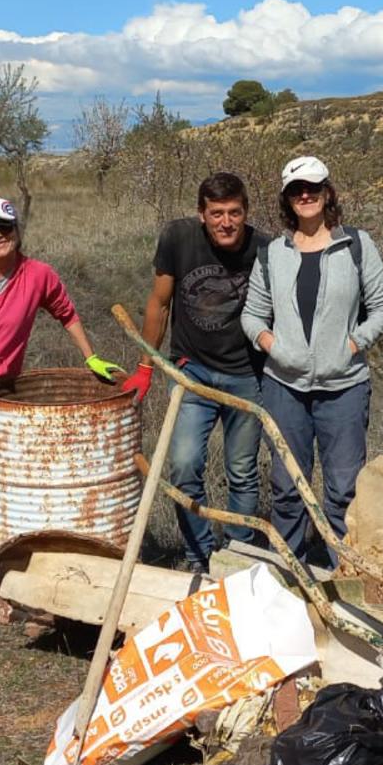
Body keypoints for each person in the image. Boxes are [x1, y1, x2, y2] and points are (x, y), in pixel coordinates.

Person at [0, 196, 125, 605]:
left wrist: (90, 356)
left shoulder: (37, 275)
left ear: (17, 230)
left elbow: (66, 313)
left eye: (4, 228)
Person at [242, 157, 383, 566]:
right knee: (288, 486)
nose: (305, 195)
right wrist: (274, 346)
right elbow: (252, 315)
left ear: (327, 193)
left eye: (312, 187)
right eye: (296, 190)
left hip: (343, 386)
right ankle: (286, 571)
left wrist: (353, 345)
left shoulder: (356, 245)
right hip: (284, 387)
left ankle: (341, 571)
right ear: (287, 200)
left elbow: (381, 306)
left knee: (344, 489)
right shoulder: (273, 253)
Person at [119, 172, 273, 573]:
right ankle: (200, 557)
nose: (226, 222)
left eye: (234, 213)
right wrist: (145, 367)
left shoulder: (266, 250)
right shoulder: (178, 238)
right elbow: (159, 304)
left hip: (247, 375)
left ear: (246, 212)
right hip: (193, 373)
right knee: (184, 465)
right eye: (216, 213)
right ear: (201, 214)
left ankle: (238, 561)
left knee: (241, 471)